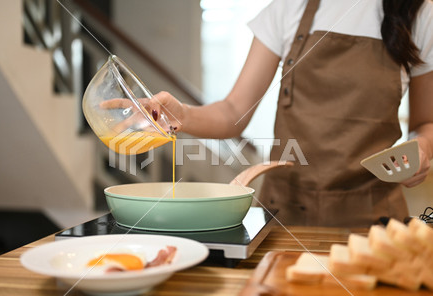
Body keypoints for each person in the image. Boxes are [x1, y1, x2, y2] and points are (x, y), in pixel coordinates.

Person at [148, 0, 433, 227]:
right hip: (284, 215)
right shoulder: (289, 7)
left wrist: (422, 147)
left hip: (374, 217)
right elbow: (234, 111)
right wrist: (181, 115)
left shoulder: (420, 13)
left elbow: (425, 123)